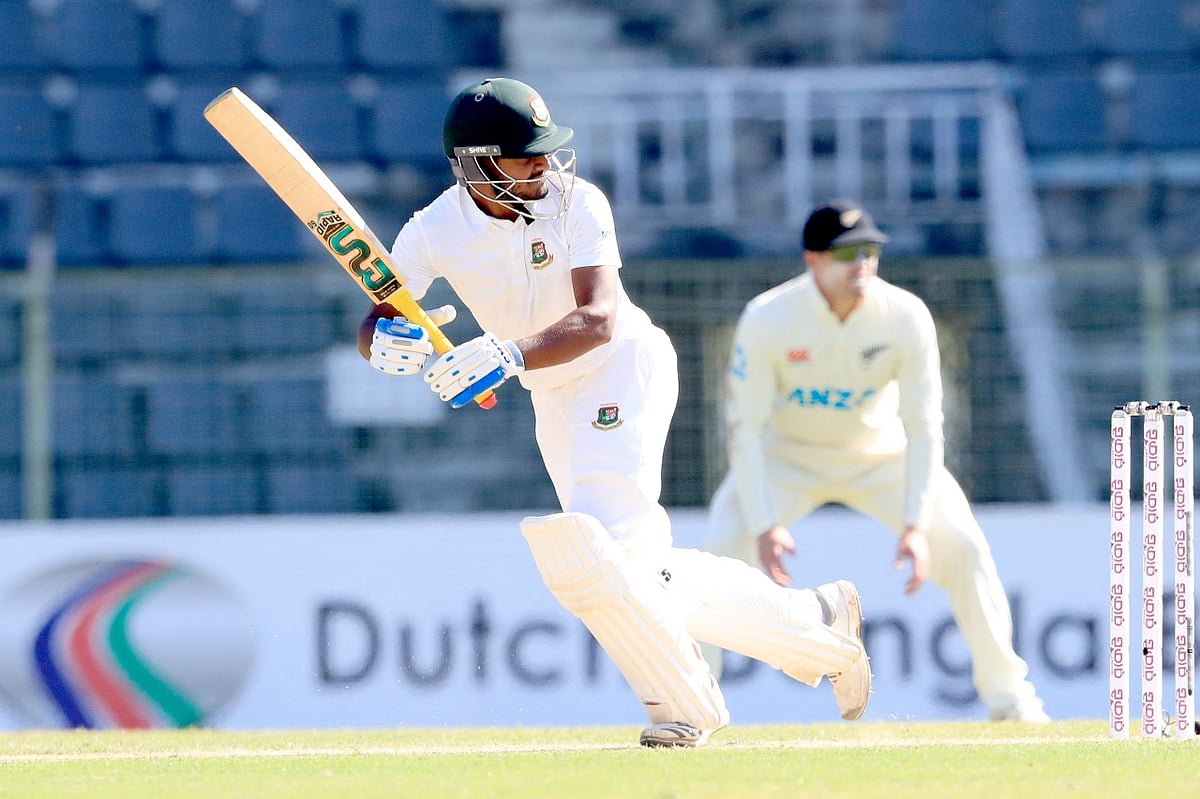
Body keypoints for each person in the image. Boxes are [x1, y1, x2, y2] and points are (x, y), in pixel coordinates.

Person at [357, 77, 872, 747]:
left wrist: (507, 354)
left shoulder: (579, 202)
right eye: (526, 156)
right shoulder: (432, 230)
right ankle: (817, 622)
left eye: (546, 150)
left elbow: (598, 319)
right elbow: (383, 313)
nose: (545, 165)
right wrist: (381, 342)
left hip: (621, 365)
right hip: (552, 394)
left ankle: (686, 708)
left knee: (608, 551)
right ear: (478, 165)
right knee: (624, 567)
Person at [702, 199, 1050, 723]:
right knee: (718, 554)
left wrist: (915, 524)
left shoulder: (904, 315)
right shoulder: (768, 317)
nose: (862, 264)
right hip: (787, 458)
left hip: (880, 456)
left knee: (965, 548)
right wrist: (764, 524)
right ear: (813, 260)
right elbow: (744, 429)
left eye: (869, 251)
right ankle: (695, 703)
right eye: (846, 254)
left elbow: (924, 425)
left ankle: (1010, 698)